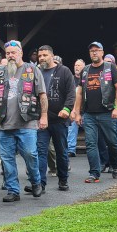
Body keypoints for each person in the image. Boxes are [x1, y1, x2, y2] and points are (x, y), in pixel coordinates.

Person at [0, 40, 48, 202]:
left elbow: (42, 94)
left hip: (27, 122)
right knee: (7, 159)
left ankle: (36, 182)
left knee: (30, 154)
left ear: (21, 53)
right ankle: (13, 190)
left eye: (14, 52)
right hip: (4, 123)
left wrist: (44, 116)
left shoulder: (32, 69)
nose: (11, 55)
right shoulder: (0, 72)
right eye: (8, 53)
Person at [72, 42, 117, 183]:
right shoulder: (86, 70)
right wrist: (77, 112)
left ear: (102, 52)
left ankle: (116, 165)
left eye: (97, 50)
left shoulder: (110, 67)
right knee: (90, 143)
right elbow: (79, 93)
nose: (94, 53)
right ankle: (94, 173)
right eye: (91, 51)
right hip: (89, 114)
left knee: (112, 142)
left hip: (107, 112)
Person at [33, 45, 75, 192]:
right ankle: (40, 184)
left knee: (61, 151)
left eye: (45, 55)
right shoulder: (36, 72)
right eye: (40, 56)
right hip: (41, 120)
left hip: (59, 119)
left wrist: (67, 108)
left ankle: (63, 180)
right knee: (40, 151)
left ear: (52, 55)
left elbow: (71, 92)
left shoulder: (64, 71)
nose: (42, 58)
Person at [67, 58, 85, 157]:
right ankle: (71, 149)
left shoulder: (86, 78)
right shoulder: (70, 79)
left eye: (79, 65)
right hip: (73, 110)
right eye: (75, 65)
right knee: (72, 125)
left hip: (86, 111)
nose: (76, 67)